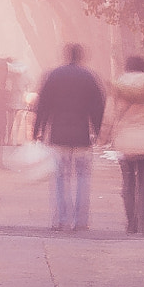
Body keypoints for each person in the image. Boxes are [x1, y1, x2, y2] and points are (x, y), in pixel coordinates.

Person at [32, 45, 105, 231]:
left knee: (59, 178)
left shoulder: (54, 76)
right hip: (81, 136)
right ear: (82, 57)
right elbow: (98, 105)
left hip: (58, 135)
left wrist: (37, 130)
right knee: (82, 178)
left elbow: (43, 105)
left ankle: (61, 220)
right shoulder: (89, 77)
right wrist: (96, 130)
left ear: (65, 56)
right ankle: (80, 221)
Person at [107, 57, 144, 235]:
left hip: (126, 138)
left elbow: (110, 113)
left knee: (128, 181)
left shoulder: (119, 86)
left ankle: (131, 223)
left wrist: (103, 136)